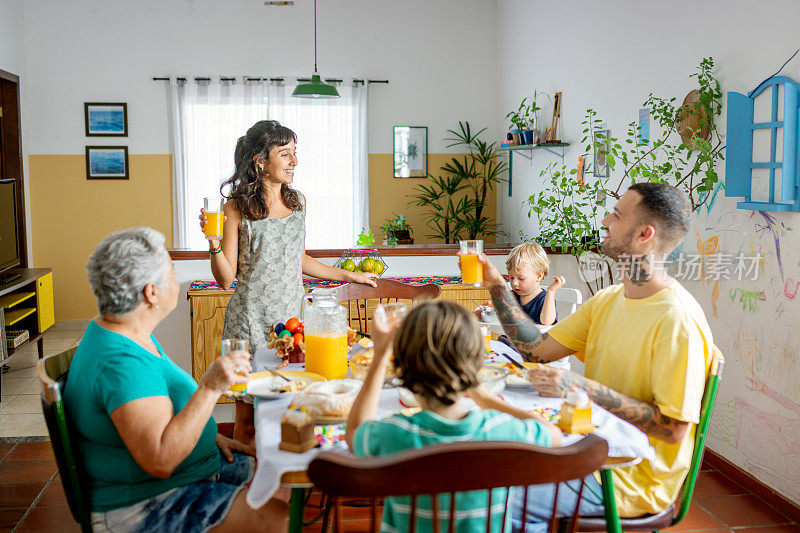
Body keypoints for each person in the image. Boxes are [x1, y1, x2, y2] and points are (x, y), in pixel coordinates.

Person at [466, 183, 714, 531]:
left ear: (644, 234)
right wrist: (497, 285)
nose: (604, 221)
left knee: (484, 492)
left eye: (616, 215)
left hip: (627, 476)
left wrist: (577, 384)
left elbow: (673, 430)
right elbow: (536, 349)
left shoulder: (678, 321)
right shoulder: (609, 299)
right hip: (590, 446)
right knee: (484, 459)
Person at [64, 227, 288, 533]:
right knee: (283, 517)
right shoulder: (122, 363)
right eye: (171, 273)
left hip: (176, 478)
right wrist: (210, 387)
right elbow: (160, 460)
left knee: (279, 473)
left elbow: (150, 418)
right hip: (147, 505)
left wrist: (208, 437)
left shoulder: (121, 331)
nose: (176, 280)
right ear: (150, 292)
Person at [200, 120, 377, 444]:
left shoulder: (298, 203)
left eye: (295, 153)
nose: (294, 161)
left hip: (293, 322)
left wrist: (348, 274)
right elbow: (226, 279)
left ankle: (285, 479)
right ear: (261, 161)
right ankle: (245, 487)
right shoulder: (236, 207)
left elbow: (296, 258)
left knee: (293, 405)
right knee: (248, 417)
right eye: (285, 154)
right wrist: (212, 241)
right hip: (250, 322)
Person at [345, 300, 561, 532]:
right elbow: (553, 435)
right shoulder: (500, 431)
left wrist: (380, 355)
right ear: (476, 365)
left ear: (400, 368)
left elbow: (355, 431)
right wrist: (485, 399)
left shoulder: (396, 433)